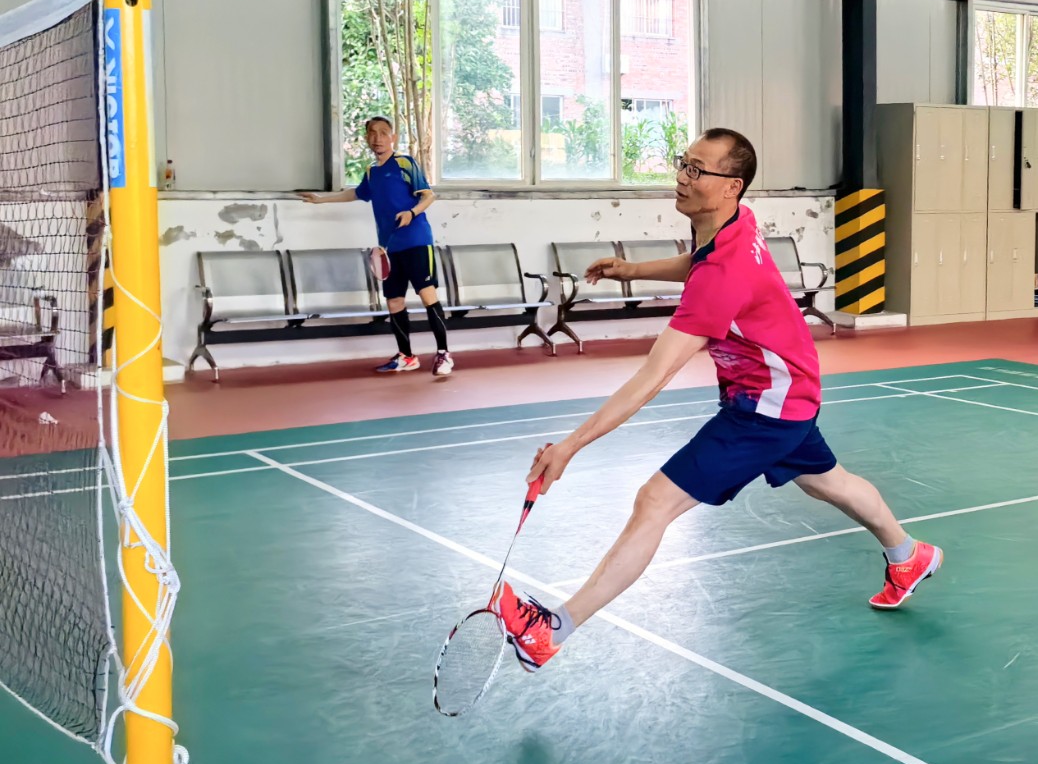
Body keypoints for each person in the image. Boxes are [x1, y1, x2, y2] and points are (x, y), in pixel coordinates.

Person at [491, 128, 942, 671]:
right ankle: (908, 555)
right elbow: (699, 260)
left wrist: (569, 446)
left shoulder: (724, 276)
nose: (683, 178)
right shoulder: (733, 224)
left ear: (732, 186)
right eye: (683, 164)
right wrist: (632, 270)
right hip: (791, 388)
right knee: (829, 482)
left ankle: (550, 631)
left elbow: (652, 377)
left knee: (654, 502)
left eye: (697, 170)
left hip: (766, 407)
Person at [297, 116, 454, 376]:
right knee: (394, 301)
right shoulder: (372, 171)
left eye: (383, 132)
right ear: (367, 138)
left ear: (393, 137)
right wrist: (321, 200)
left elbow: (429, 196)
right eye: (372, 133)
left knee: (427, 296)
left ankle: (443, 354)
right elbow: (357, 193)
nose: (377, 138)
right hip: (389, 248)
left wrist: (411, 213)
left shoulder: (405, 163)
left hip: (416, 241)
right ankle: (407, 356)